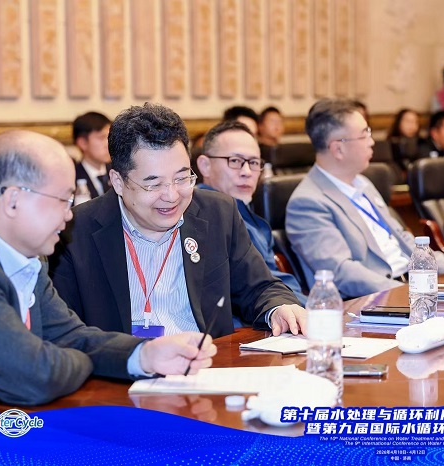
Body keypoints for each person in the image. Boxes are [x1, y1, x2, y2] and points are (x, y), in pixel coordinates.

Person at [0, 130, 216, 409]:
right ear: (13, 199)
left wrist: (144, 354)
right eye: (63, 200)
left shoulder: (25, 255)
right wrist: (87, 360)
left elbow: (71, 336)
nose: (68, 215)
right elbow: (33, 377)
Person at [51, 103, 305, 339]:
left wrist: (279, 307)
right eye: (154, 184)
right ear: (118, 181)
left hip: (209, 362)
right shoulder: (75, 231)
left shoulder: (218, 213)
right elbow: (64, 333)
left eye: (182, 178)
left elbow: (261, 287)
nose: (172, 196)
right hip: (124, 367)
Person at [286, 99, 444, 299]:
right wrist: (406, 294)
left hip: (412, 286)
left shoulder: (363, 183)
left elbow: (402, 239)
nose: (372, 141)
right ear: (338, 149)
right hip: (374, 300)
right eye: (364, 135)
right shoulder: (308, 202)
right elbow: (342, 272)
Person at [195, 120, 307, 305]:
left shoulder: (246, 213)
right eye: (235, 161)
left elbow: (275, 280)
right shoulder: (199, 217)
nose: (247, 172)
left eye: (254, 162)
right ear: (205, 165)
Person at [72, 111, 112, 198]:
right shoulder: (72, 178)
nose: (108, 144)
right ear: (83, 143)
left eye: (109, 137)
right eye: (101, 138)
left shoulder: (118, 172)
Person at [387, 108, 421, 173]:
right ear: (399, 123)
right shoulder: (390, 144)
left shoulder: (421, 143)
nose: (412, 125)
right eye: (408, 121)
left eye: (415, 122)